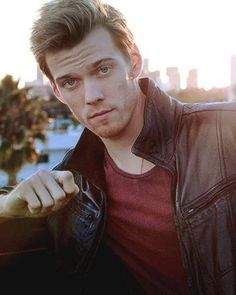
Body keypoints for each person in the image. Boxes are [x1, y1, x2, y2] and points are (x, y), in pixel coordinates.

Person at [0, 0, 235, 294]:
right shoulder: (74, 188)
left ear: (134, 62)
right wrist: (7, 206)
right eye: (71, 82)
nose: (92, 96)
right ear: (57, 90)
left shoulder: (226, 131)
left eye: (103, 69)